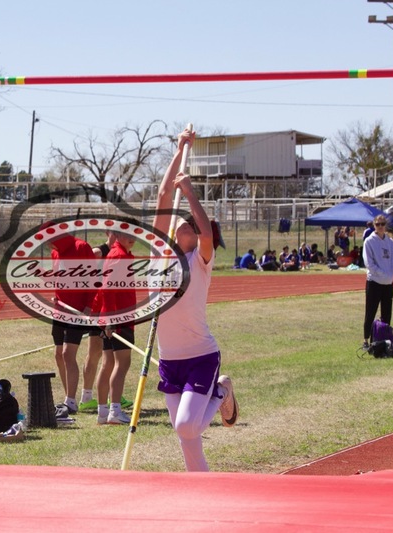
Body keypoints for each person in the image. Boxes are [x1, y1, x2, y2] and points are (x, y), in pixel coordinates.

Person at [150, 129, 238, 471]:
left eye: (183, 225)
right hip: (169, 359)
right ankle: (199, 489)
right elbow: (162, 195)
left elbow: (203, 228)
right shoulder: (160, 254)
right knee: (187, 439)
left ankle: (222, 391)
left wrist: (189, 193)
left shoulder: (200, 262)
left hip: (200, 356)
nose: (177, 227)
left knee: (186, 425)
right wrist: (179, 148)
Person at [47, 226, 97, 416]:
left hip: (77, 312)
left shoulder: (81, 247)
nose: (47, 244)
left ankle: (71, 401)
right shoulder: (55, 253)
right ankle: (69, 398)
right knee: (59, 355)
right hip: (60, 311)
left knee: (68, 354)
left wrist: (88, 306)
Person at [95, 218, 139, 425]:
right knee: (122, 364)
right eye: (127, 234)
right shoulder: (119, 256)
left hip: (111, 318)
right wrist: (112, 319)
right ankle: (114, 411)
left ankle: (103, 412)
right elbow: (107, 289)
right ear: (118, 235)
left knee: (108, 363)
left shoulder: (119, 255)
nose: (132, 238)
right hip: (118, 319)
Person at [362, 214, 393, 349]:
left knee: (387, 313)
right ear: (374, 226)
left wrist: (391, 272)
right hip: (374, 282)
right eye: (378, 224)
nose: (381, 227)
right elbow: (369, 263)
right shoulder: (369, 242)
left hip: (388, 283)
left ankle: (383, 339)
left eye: (383, 224)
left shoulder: (389, 242)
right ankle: (366, 340)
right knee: (370, 312)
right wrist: (382, 273)